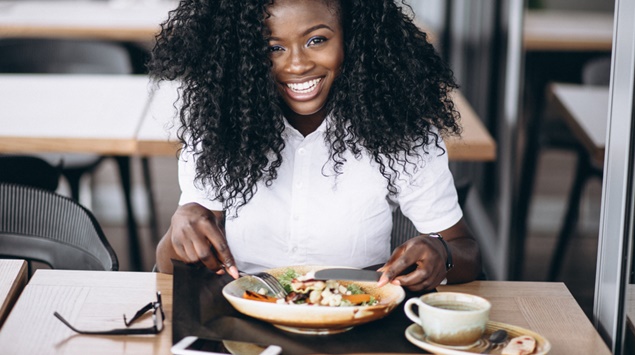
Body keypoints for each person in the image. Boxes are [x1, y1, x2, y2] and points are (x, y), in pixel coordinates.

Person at [149, 0, 482, 292]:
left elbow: (466, 251)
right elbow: (167, 266)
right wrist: (182, 223)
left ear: (353, 36)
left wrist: (443, 253)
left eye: (316, 40)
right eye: (273, 47)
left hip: (359, 321)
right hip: (244, 316)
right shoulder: (220, 130)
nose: (297, 64)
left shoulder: (401, 132)